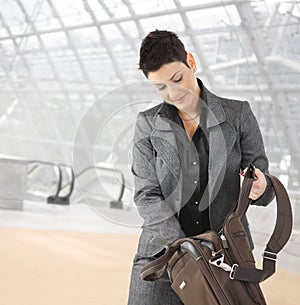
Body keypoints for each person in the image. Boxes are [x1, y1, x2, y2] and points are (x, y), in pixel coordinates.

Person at [127, 30, 274, 305]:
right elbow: (146, 195)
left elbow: (263, 188)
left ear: (191, 62)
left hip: (226, 259)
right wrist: (185, 251)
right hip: (162, 258)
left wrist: (261, 186)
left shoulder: (238, 115)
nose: (173, 93)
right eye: (161, 87)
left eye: (177, 79)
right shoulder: (147, 124)